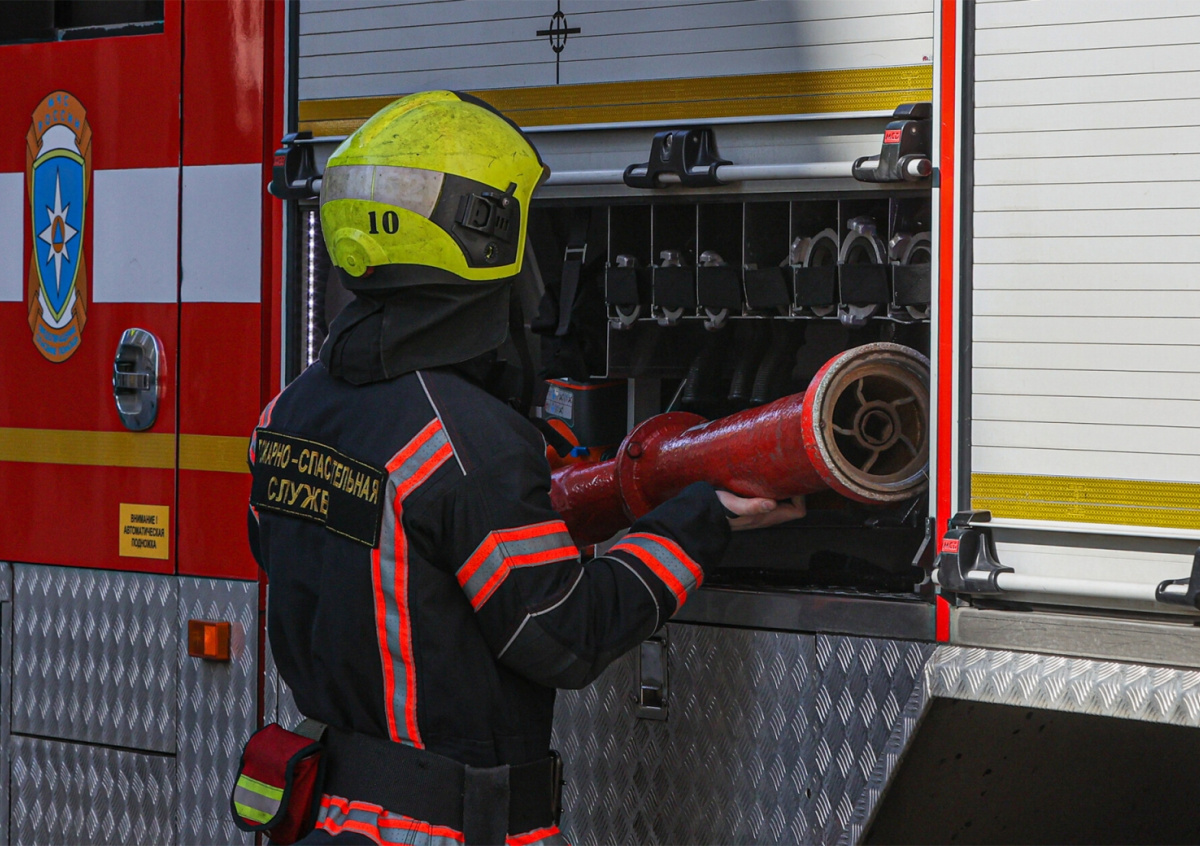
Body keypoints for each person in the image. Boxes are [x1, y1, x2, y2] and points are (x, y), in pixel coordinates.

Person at [247, 91, 805, 846]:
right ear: (482, 235)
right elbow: (560, 634)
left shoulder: (288, 413)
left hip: (334, 819)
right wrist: (700, 521)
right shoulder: (463, 443)